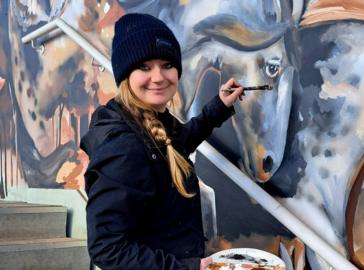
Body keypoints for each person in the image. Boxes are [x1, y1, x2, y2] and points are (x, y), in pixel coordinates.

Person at [80, 13, 244, 270]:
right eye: (144, 67)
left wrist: (219, 106)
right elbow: (108, 249)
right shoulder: (124, 146)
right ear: (125, 75)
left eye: (167, 64)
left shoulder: (152, 120)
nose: (158, 77)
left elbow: (179, 143)